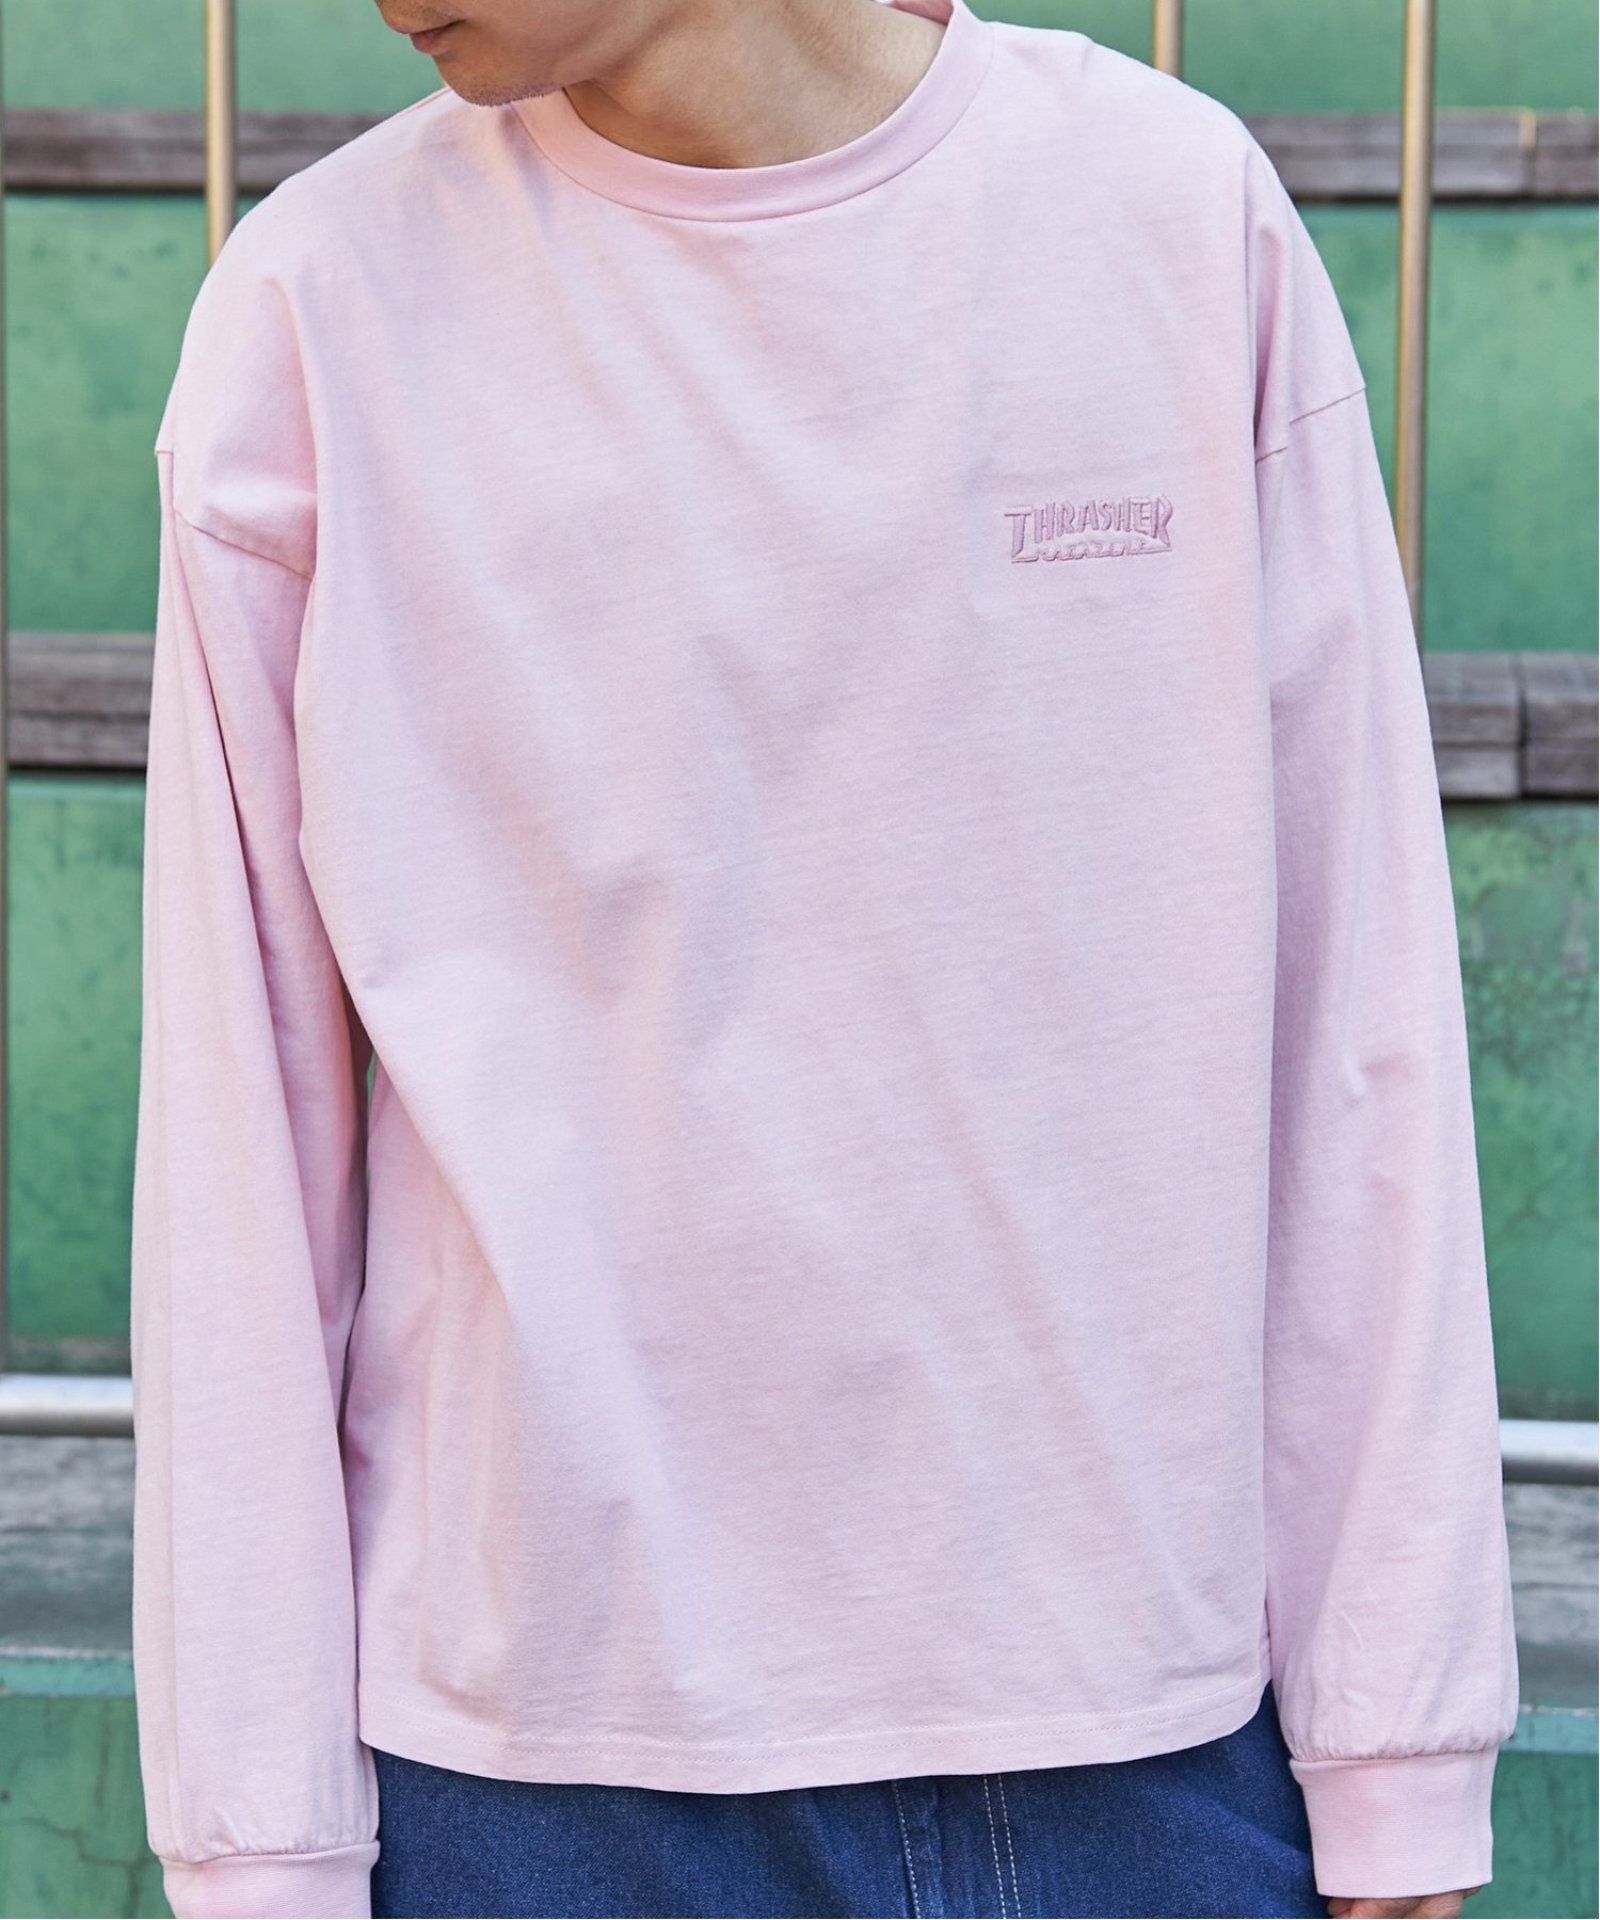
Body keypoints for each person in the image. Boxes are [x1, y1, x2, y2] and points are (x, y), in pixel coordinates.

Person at [128, 1, 1521, 1915]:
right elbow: (239, 1124)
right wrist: (259, 1845)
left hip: (1146, 1759)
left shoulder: (1169, 215)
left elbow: (1354, 1013)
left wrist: (1397, 1735)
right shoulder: (318, 309)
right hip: (538, 1787)